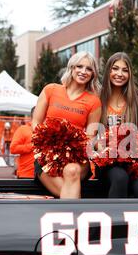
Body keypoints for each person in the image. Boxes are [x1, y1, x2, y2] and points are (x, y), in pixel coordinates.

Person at [32, 51, 102, 199]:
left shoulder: (94, 101)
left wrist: (70, 150)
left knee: (72, 170)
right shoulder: (51, 89)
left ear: (93, 74)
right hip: (47, 156)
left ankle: (69, 219)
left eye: (89, 69)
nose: (83, 71)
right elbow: (36, 123)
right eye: (80, 66)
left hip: (76, 158)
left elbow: (90, 137)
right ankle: (75, 218)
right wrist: (46, 148)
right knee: (68, 192)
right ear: (71, 68)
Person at [99, 52, 138, 198]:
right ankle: (116, 220)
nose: (119, 74)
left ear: (130, 74)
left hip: (136, 160)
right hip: (108, 162)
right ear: (108, 70)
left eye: (125, 70)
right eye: (115, 69)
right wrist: (107, 149)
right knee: (120, 178)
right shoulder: (98, 98)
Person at [10, 107, 36, 179]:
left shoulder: (47, 130)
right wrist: (32, 146)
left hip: (46, 177)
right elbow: (13, 148)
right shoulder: (23, 129)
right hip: (27, 175)